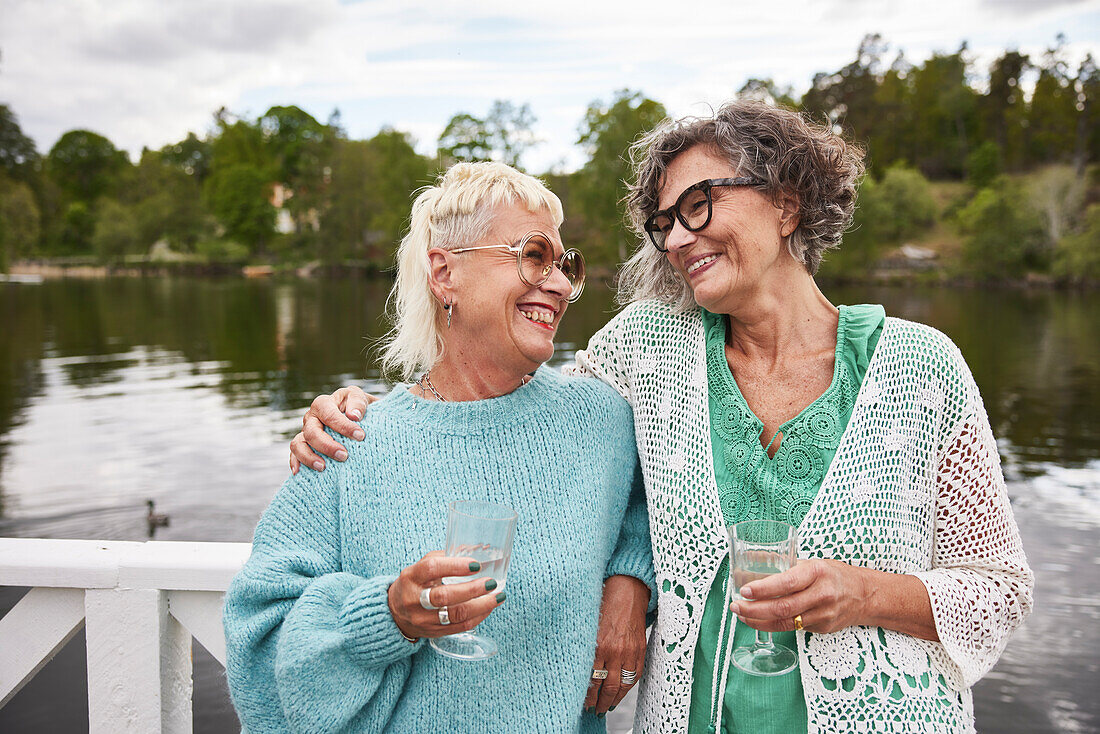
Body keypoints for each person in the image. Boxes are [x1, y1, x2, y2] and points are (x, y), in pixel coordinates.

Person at [293, 101, 1033, 733]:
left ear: (786, 203)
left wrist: (861, 592)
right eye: (664, 222)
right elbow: (518, 416)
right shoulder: (645, 351)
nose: (676, 238)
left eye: (698, 204)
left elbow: (999, 588)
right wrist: (366, 410)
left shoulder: (921, 367)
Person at [224, 161, 655, 734]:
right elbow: (259, 645)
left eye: (565, 263)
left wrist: (629, 583)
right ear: (444, 273)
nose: (557, 283)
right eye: (532, 255)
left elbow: (666, 502)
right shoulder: (348, 442)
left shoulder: (603, 422)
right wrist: (388, 616)